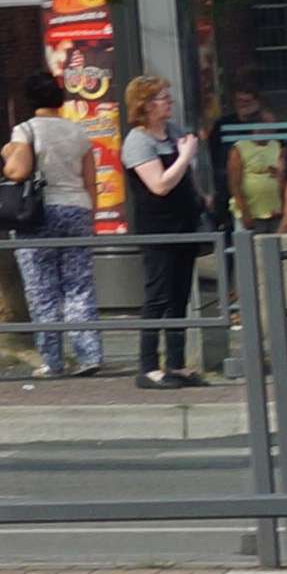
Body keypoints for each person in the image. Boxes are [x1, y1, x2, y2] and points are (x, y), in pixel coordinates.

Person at [0, 99, 104, 380]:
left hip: (38, 213)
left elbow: (17, 171)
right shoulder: (78, 132)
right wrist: (89, 215)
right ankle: (89, 355)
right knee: (79, 286)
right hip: (77, 209)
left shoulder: (26, 130)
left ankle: (53, 361)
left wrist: (8, 153)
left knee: (41, 289)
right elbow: (91, 179)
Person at [116, 78, 211, 388]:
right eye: (161, 98)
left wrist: (201, 196)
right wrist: (184, 156)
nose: (168, 102)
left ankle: (176, 363)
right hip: (158, 226)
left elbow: (185, 176)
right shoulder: (137, 141)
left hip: (184, 223)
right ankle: (147, 366)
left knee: (179, 294)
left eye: (168, 97)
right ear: (144, 105)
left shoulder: (172, 131)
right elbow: (158, 185)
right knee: (157, 294)